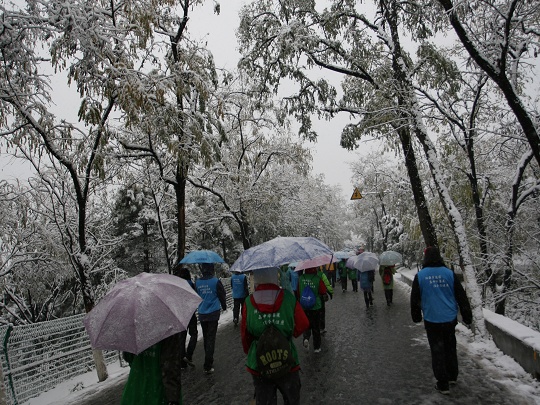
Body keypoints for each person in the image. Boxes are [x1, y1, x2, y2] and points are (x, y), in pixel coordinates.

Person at [241, 267, 309, 405]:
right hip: (286, 359)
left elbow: (245, 335)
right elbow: (303, 324)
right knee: (292, 400)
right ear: (275, 276)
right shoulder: (288, 298)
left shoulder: (248, 302)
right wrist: (288, 333)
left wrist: (255, 350)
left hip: (260, 364)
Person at [410, 246, 472, 395]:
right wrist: (466, 315)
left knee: (437, 350)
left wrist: (416, 315)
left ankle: (442, 383)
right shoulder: (449, 274)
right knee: (450, 347)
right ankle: (452, 375)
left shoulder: (421, 276)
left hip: (432, 319)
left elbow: (415, 299)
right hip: (449, 318)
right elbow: (461, 295)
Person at [121, 333, 183, 405]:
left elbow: (128, 357)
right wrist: (173, 399)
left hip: (135, 390)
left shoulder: (134, 329)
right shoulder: (168, 329)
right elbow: (170, 365)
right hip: (158, 391)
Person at [195, 262, 227, 374]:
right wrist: (224, 306)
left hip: (202, 313)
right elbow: (222, 295)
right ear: (211, 269)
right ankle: (208, 364)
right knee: (211, 338)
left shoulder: (197, 282)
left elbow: (195, 296)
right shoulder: (216, 281)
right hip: (213, 313)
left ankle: (208, 359)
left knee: (206, 337)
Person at [297, 267, 328, 353]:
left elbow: (298, 292)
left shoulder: (301, 278)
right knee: (315, 327)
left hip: (304, 305)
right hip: (315, 306)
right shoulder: (317, 278)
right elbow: (322, 291)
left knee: (306, 324)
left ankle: (306, 338)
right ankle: (317, 347)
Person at [174, 265, 198, 369]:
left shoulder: (177, 285)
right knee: (194, 334)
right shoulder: (191, 284)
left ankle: (182, 362)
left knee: (181, 338)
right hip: (190, 313)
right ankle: (189, 355)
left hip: (180, 314)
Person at [317, 266, 333, 334]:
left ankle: (314, 328)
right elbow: (327, 284)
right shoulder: (321, 274)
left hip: (309, 299)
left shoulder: (304, 276)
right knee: (321, 312)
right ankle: (322, 328)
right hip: (320, 298)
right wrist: (330, 292)